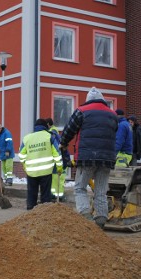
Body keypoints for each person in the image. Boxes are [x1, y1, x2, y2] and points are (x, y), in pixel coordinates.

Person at [59, 87, 118, 229]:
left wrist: (63, 143)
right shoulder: (112, 115)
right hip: (106, 158)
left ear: (88, 100)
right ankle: (101, 219)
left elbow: (69, 129)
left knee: (80, 188)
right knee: (101, 190)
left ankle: (85, 215)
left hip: (87, 157)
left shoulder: (81, 111)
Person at [18, 118, 63, 210]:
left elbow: (21, 155)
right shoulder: (49, 136)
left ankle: (30, 212)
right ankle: (45, 214)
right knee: (46, 195)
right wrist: (59, 167)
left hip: (31, 172)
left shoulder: (27, 138)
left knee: (31, 193)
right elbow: (57, 154)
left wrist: (25, 165)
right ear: (45, 127)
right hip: (46, 172)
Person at [45, 117, 67, 201]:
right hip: (59, 159)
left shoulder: (52, 133)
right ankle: (57, 195)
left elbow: (56, 149)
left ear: (48, 125)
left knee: (56, 178)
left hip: (56, 160)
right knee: (57, 178)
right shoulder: (55, 133)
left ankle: (57, 196)